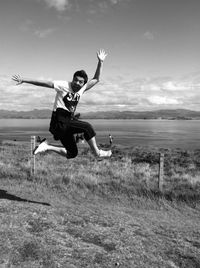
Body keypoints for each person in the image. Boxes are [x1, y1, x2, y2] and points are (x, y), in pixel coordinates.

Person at [12, 49, 112, 159]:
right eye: (75, 80)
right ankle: (97, 153)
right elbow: (44, 83)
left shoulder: (81, 89)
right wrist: (24, 80)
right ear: (73, 79)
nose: (77, 83)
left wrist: (101, 62)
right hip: (59, 121)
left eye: (80, 82)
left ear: (83, 84)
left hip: (66, 124)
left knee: (72, 153)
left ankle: (46, 146)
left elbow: (96, 79)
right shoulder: (63, 85)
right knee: (87, 127)